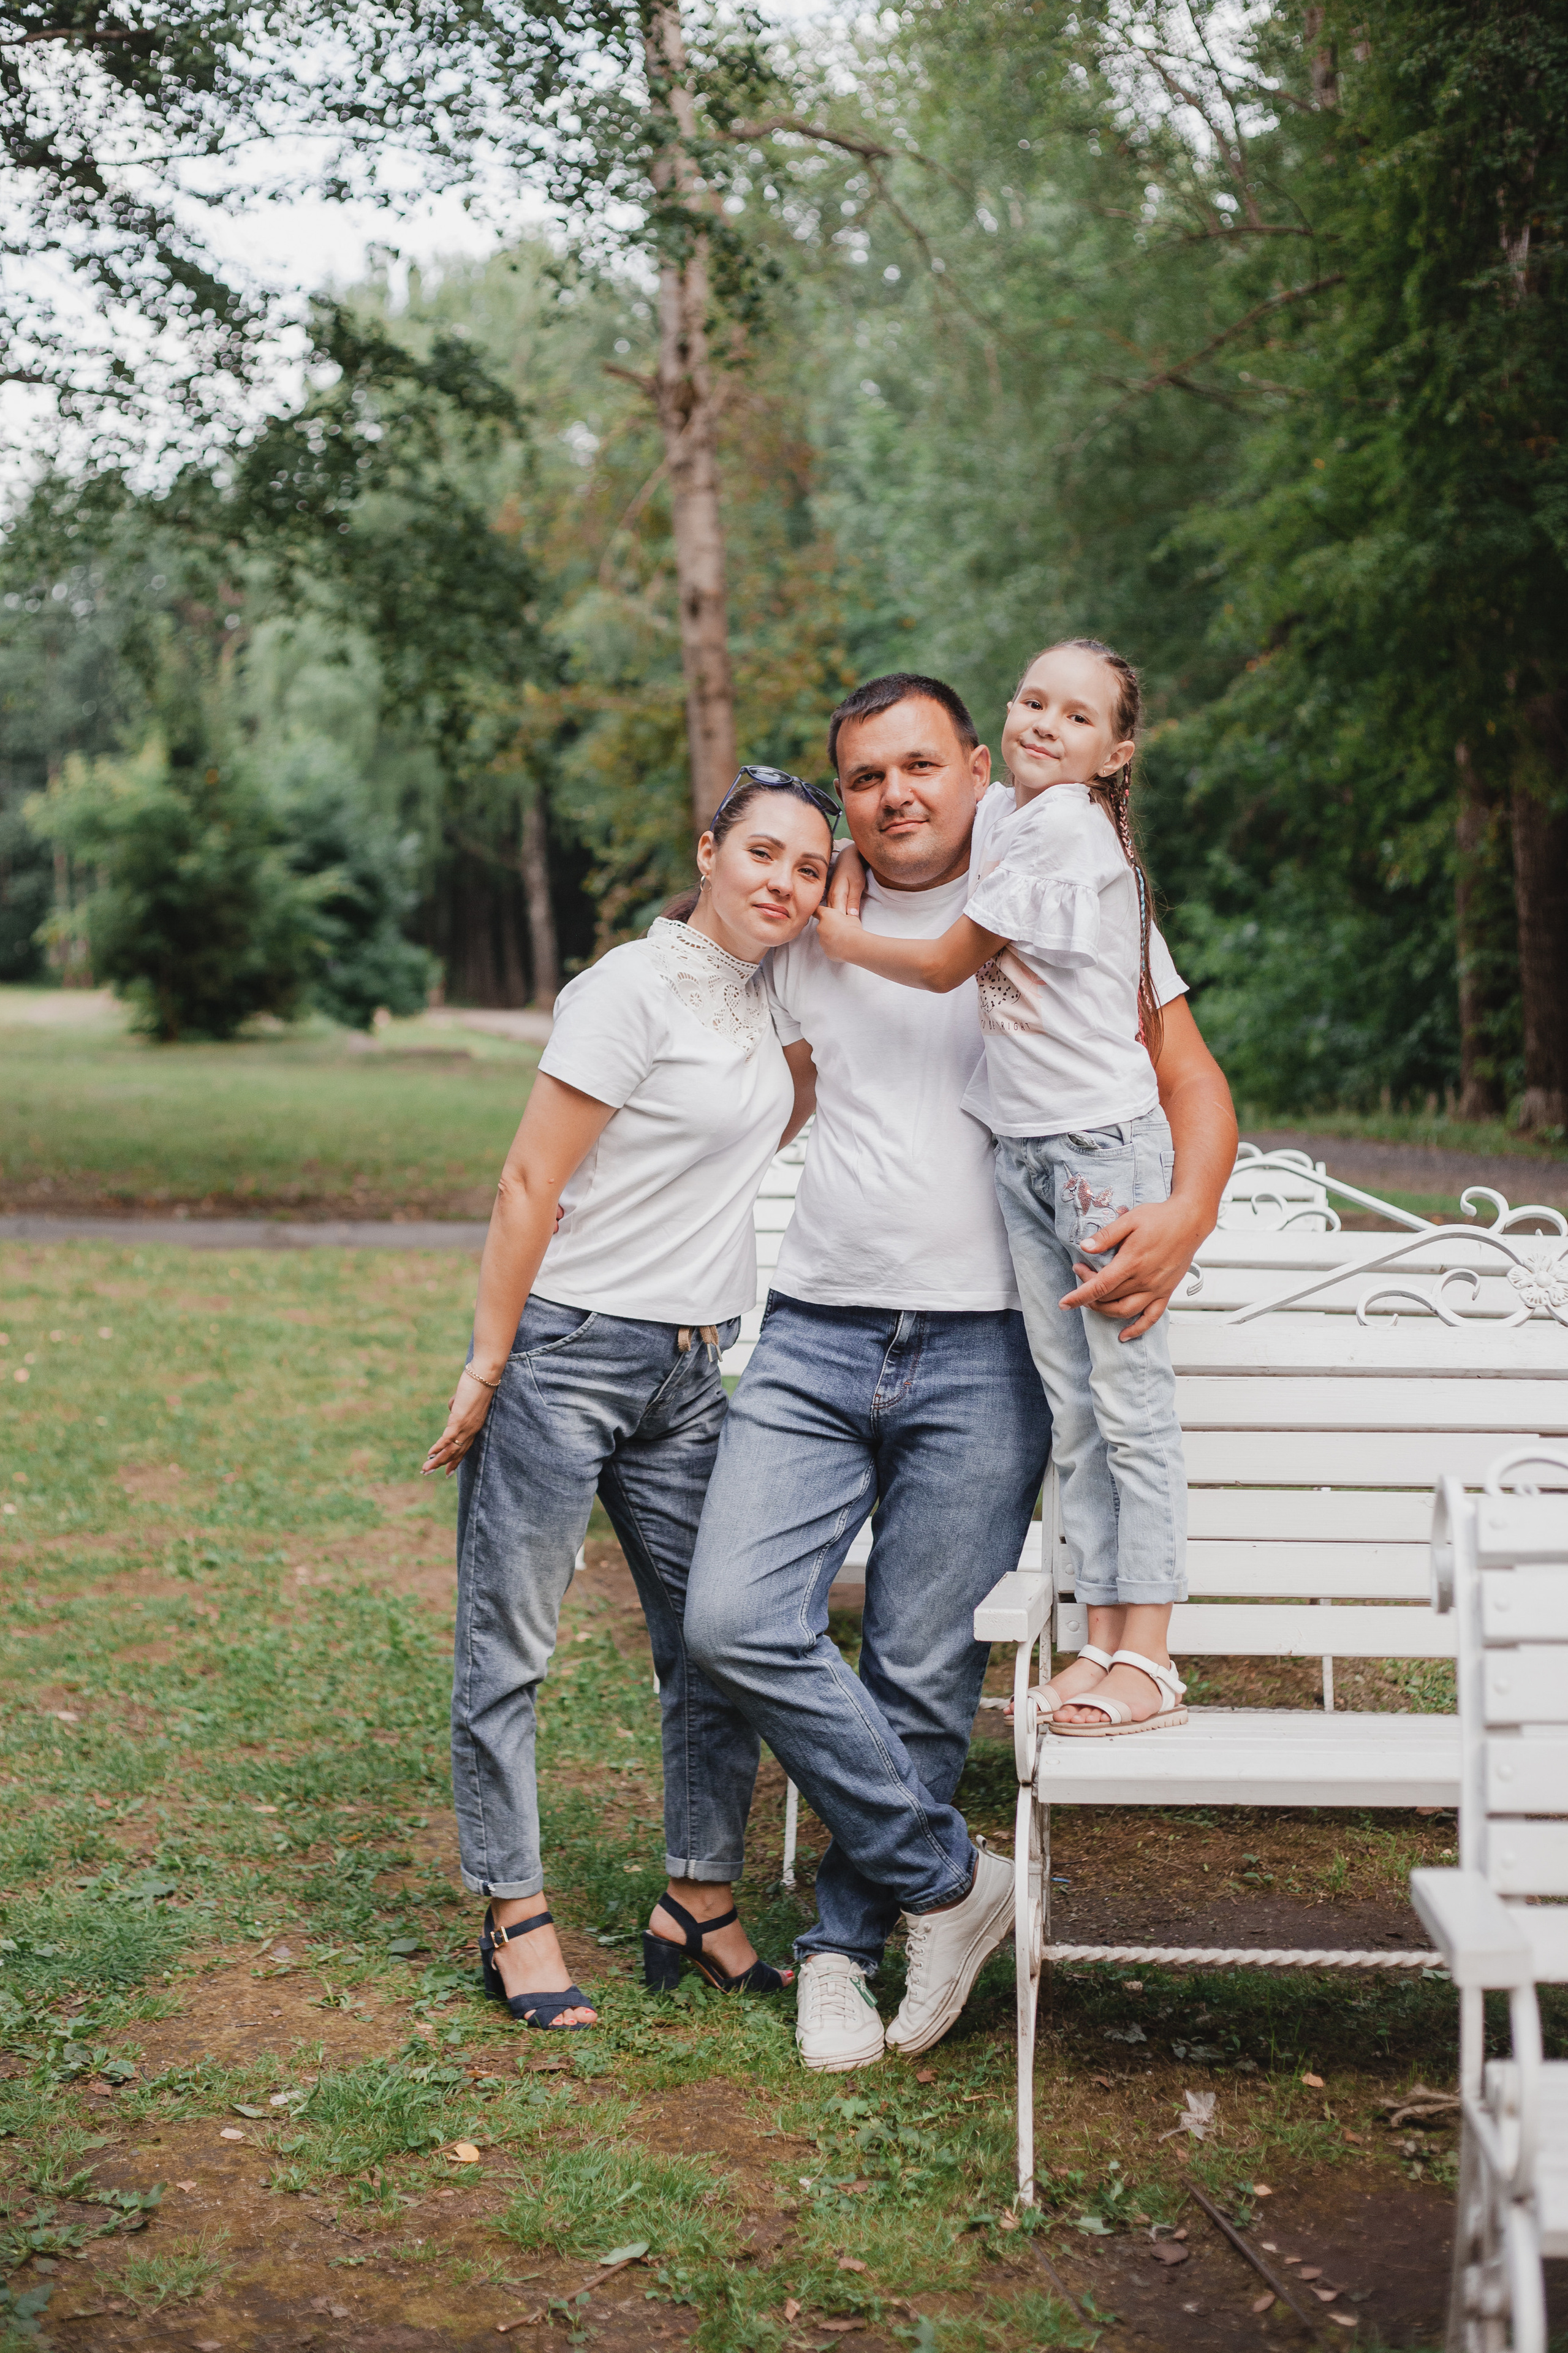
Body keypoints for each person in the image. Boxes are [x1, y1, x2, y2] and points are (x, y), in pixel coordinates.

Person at [685, 673, 1236, 2071]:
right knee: (734, 1619)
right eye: (864, 778)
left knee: (921, 1665)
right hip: (812, 1333)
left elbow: (1189, 1081)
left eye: (920, 766)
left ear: (975, 767)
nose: (894, 797)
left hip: (989, 1347)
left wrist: (1184, 1213)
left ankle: (838, 1948)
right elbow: (687, 1031)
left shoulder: (1056, 880)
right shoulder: (809, 909)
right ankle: (953, 1880)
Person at [422, 768, 835, 2028]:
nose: (784, 882)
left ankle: (696, 1899)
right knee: (512, 1648)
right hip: (567, 1354)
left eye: (811, 868)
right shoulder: (627, 987)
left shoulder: (772, 999)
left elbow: (782, 1105)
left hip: (693, 1369)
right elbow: (526, 1183)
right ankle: (514, 1916)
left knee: (715, 1638)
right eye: (761, 853)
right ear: (707, 852)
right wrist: (492, 1359)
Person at [816, 639, 1193, 1739]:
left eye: (1078, 717)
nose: (1045, 723)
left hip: (1095, 1152)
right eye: (1033, 699)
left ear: (1116, 751)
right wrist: (843, 863)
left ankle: (1152, 1654)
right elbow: (895, 816)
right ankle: (1100, 1640)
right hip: (1028, 1150)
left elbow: (942, 961)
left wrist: (834, 933)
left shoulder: (1069, 829)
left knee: (1129, 1408)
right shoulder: (1018, 820)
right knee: (1076, 1415)